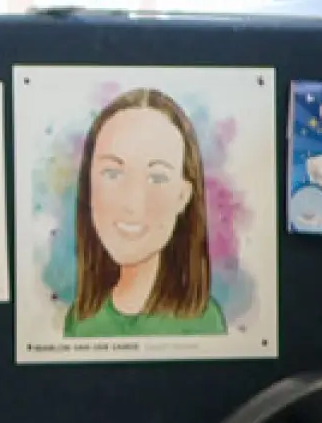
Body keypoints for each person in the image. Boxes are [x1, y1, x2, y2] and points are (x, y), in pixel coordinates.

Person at [64, 87, 226, 338]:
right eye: (113, 173)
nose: (132, 202)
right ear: (89, 185)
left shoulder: (203, 323)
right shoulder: (81, 321)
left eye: (157, 177)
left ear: (183, 196)